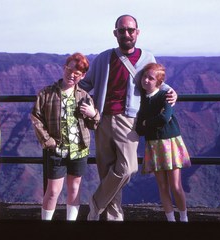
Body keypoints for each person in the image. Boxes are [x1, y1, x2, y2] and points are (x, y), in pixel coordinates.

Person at [78, 14, 177, 221]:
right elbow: (86, 85)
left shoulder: (147, 58)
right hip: (102, 118)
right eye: (122, 30)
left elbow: (157, 81)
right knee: (106, 171)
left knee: (127, 168)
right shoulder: (104, 58)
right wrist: (64, 88)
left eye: (130, 30)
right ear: (115, 33)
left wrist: (172, 92)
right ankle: (114, 218)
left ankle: (95, 203)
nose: (126, 34)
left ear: (137, 33)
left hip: (129, 121)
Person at [30, 53, 100, 221]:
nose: (72, 75)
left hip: (79, 150)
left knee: (74, 188)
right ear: (64, 68)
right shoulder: (46, 94)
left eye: (77, 73)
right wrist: (48, 141)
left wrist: (94, 114)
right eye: (69, 69)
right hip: (56, 150)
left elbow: (93, 125)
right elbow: (36, 118)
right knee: (53, 191)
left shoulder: (84, 96)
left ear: (82, 76)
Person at [135, 63, 191, 222]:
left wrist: (147, 123)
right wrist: (148, 123)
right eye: (144, 77)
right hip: (153, 144)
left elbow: (164, 118)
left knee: (175, 185)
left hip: (169, 143)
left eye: (151, 78)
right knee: (162, 186)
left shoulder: (165, 95)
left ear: (159, 82)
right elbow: (140, 127)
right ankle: (170, 219)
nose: (146, 80)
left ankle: (184, 217)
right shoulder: (142, 99)